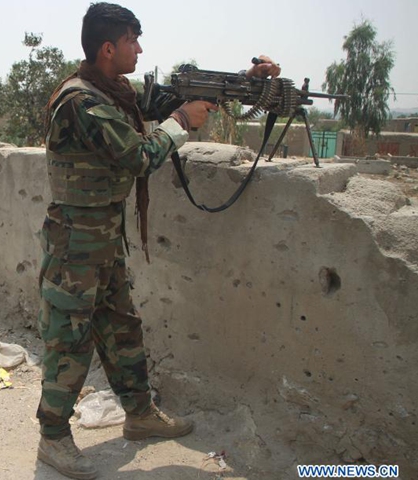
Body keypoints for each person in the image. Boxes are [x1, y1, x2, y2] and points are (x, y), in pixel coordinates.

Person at [36, 3, 281, 479]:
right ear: (109, 48)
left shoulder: (114, 90)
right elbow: (139, 157)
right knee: (70, 339)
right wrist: (183, 123)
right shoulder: (81, 101)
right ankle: (53, 437)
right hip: (75, 241)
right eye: (132, 41)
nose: (140, 49)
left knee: (122, 326)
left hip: (104, 236)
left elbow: (170, 100)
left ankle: (140, 415)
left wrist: (240, 82)